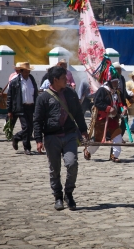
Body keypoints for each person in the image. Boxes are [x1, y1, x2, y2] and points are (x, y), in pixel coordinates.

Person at [33, 66, 88, 211]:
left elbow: (78, 114)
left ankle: (68, 193)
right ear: (55, 80)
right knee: (54, 169)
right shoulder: (43, 98)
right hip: (52, 137)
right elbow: (37, 120)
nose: (67, 80)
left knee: (72, 164)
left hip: (70, 135)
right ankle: (57, 196)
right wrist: (38, 139)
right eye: (64, 78)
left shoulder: (70, 93)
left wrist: (83, 130)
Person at [86, 78, 127, 162]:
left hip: (113, 119)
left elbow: (123, 102)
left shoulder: (118, 92)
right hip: (102, 118)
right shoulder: (102, 90)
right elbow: (97, 102)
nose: (116, 83)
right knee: (98, 138)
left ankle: (114, 155)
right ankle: (88, 151)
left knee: (117, 136)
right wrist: (108, 108)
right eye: (114, 82)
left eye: (116, 81)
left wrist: (125, 108)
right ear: (109, 82)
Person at [7, 62, 38, 155]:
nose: (28, 72)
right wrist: (9, 110)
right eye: (26, 71)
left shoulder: (32, 79)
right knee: (26, 127)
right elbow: (10, 96)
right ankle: (27, 147)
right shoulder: (15, 81)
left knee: (30, 128)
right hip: (21, 107)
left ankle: (16, 137)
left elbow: (35, 93)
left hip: (31, 107)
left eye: (29, 71)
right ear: (21, 71)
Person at [112, 62, 133, 134]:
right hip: (114, 101)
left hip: (122, 101)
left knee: (125, 119)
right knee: (114, 120)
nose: (120, 71)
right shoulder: (112, 78)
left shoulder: (122, 78)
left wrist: (128, 98)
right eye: (118, 69)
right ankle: (113, 136)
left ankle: (120, 135)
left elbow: (124, 90)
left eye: (120, 69)